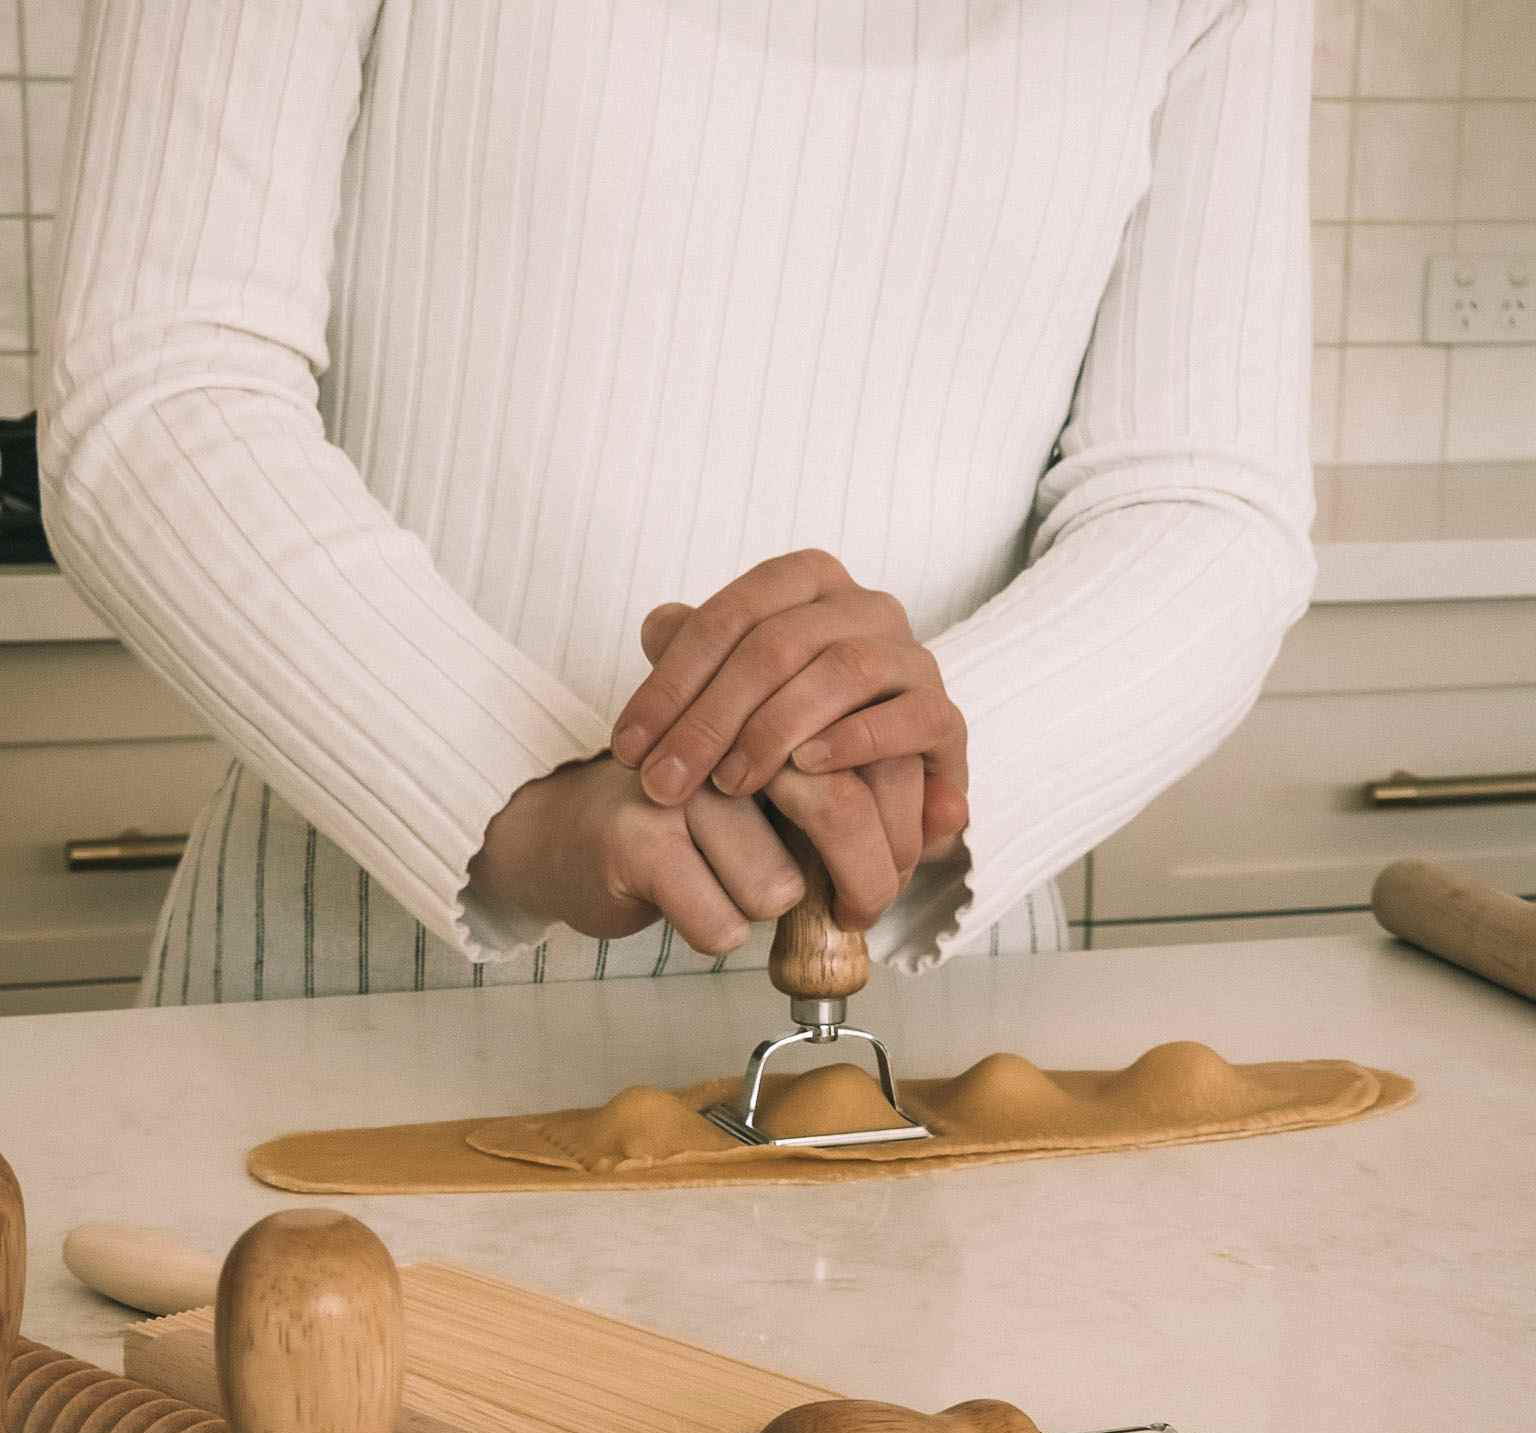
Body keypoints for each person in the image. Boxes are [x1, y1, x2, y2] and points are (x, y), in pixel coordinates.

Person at [39, 0, 1316, 1007]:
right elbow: (161, 378)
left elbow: (1203, 498)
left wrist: (918, 778)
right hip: (353, 983)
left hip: (933, 1015)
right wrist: (514, 797)